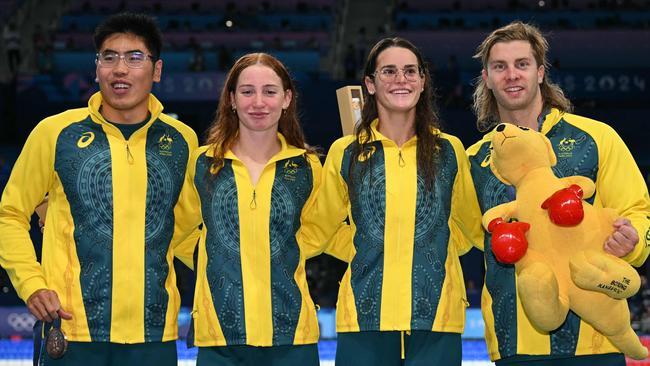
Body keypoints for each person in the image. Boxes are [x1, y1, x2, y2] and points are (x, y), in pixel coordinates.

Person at [0, 13, 199, 365]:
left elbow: (185, 233)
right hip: (70, 330)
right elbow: (10, 214)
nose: (119, 68)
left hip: (153, 334)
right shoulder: (55, 133)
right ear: (97, 69)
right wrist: (30, 283)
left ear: (157, 70)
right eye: (109, 57)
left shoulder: (182, 140)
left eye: (134, 57)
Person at [467, 21, 650, 366]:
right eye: (500, 67)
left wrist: (634, 240)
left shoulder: (596, 139)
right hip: (513, 342)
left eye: (522, 64)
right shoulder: (473, 159)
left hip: (595, 341)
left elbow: (638, 210)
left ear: (540, 72)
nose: (512, 75)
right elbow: (461, 234)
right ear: (487, 77)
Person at [301, 37, 483, 365]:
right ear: (370, 84)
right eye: (389, 71)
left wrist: (425, 246)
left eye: (410, 71)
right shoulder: (346, 151)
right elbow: (320, 229)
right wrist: (367, 245)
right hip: (364, 318)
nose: (401, 79)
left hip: (437, 318)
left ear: (423, 81)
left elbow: (469, 228)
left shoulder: (450, 150)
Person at [180, 52, 336, 366]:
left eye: (270, 91)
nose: (258, 102)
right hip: (220, 340)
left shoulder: (307, 167)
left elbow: (318, 232)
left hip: (292, 338)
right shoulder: (202, 163)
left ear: (287, 98)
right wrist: (220, 271)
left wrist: (273, 253)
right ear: (232, 99)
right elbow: (179, 232)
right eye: (247, 91)